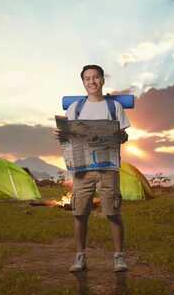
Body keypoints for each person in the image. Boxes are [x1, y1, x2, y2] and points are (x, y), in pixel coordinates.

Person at [64, 64, 130, 272]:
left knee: (112, 212)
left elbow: (125, 136)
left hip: (108, 167)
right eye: (87, 78)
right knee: (79, 213)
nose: (91, 81)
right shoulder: (75, 108)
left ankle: (119, 257)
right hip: (82, 169)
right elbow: (69, 137)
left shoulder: (114, 107)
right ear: (83, 82)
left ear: (102, 80)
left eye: (95, 77)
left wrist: (120, 135)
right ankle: (80, 257)